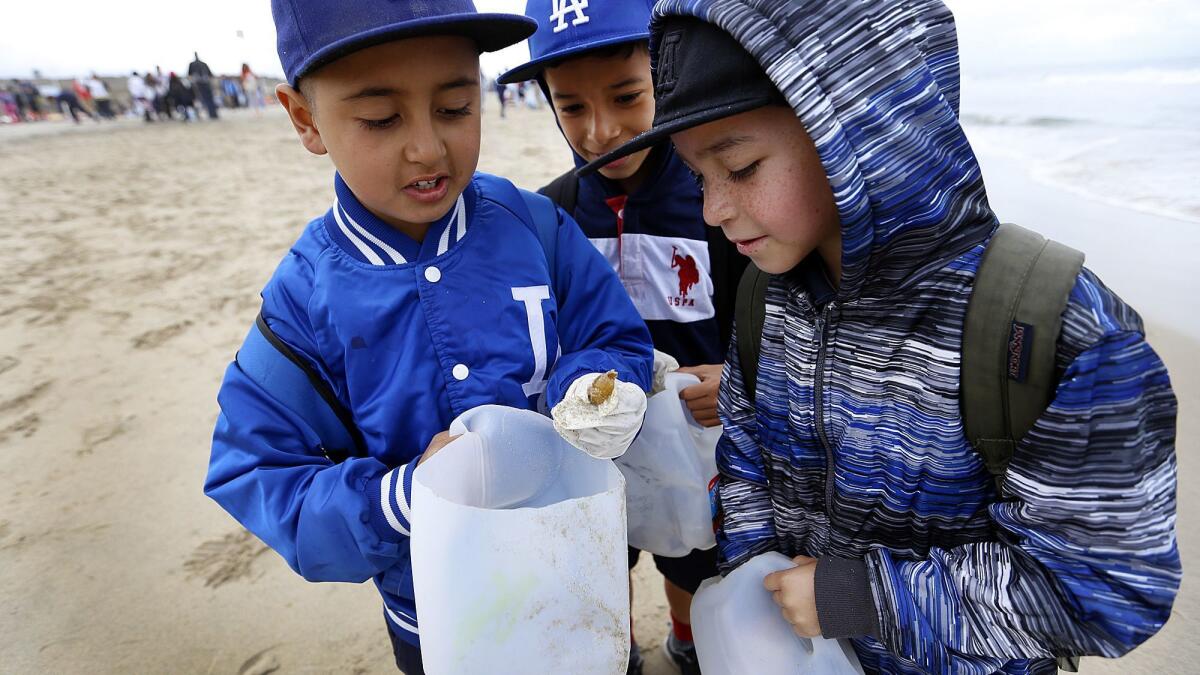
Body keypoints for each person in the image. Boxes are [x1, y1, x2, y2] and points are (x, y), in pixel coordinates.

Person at [582, 1, 1181, 673]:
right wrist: (754, 581)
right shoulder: (763, 297)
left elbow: (1109, 589)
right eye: (697, 175)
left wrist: (858, 596)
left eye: (742, 168)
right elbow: (746, 465)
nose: (714, 210)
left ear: (859, 130)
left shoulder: (1052, 329)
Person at [203, 2, 654, 674]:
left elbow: (615, 336)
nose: (427, 147)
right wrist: (403, 496)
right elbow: (257, 470)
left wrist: (592, 386)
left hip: (575, 569)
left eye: (454, 107)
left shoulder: (536, 226)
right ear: (305, 118)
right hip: (437, 615)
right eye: (381, 118)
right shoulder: (303, 300)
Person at [501, 1, 747, 672]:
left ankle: (687, 640)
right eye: (571, 106)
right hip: (588, 451)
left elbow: (766, 317)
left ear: (665, 75)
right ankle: (618, 652)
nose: (601, 131)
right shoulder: (547, 216)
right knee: (596, 560)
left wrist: (738, 378)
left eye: (626, 97)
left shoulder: (717, 198)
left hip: (695, 443)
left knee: (693, 556)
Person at [188, 52, 219, 119]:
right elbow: (210, 75)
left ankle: (211, 114)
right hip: (205, 83)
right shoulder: (203, 64)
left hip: (199, 84)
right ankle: (213, 114)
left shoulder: (192, 64)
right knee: (209, 99)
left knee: (204, 99)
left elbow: (189, 75)